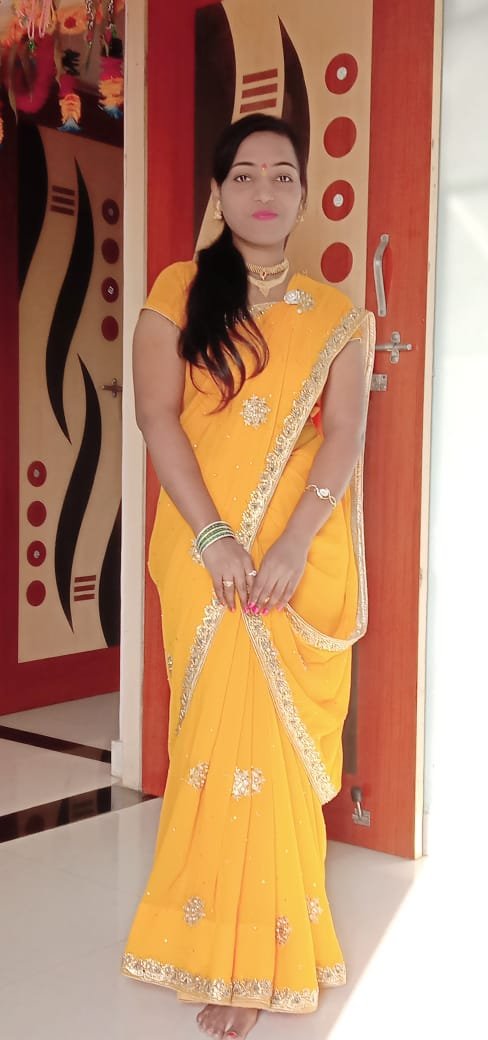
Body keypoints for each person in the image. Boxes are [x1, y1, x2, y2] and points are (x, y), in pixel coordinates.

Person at [121, 113, 375, 1039]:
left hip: (287, 560)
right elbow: (158, 418)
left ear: (303, 196)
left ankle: (262, 956)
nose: (265, 190)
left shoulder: (335, 316)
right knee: (214, 746)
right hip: (208, 550)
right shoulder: (178, 292)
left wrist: (295, 544)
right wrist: (215, 537)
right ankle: (208, 940)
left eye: (283, 176)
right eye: (245, 175)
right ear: (218, 192)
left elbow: (343, 435)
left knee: (265, 754)